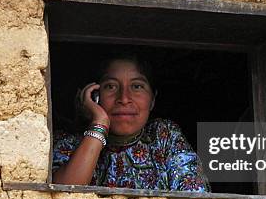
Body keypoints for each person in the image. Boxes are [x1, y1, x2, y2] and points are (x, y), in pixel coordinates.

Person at [52, 54, 209, 191]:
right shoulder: (70, 142)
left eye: (137, 86)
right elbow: (62, 197)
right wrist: (99, 123)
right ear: (94, 96)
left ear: (152, 100)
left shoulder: (164, 136)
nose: (124, 98)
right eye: (111, 86)